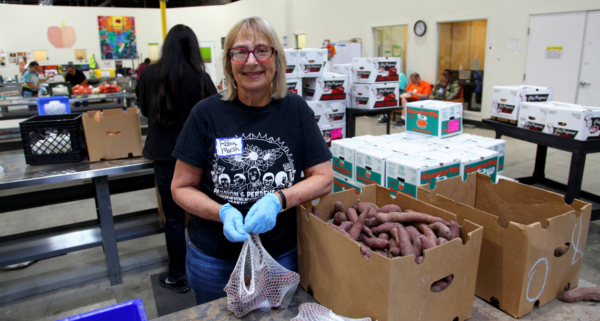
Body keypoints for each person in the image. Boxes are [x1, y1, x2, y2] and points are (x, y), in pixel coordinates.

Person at [170, 16, 333, 305]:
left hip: (280, 254)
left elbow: (324, 178)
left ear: (276, 58)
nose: (251, 61)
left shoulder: (295, 110)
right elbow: (181, 187)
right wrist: (222, 212)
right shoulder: (205, 113)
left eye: (262, 50)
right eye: (240, 52)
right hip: (213, 259)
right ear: (229, 61)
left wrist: (279, 200)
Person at [137, 25, 217, 294]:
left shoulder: (149, 75)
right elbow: (215, 117)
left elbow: (144, 110)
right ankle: (206, 268)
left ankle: (178, 275)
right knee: (201, 212)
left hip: (163, 156)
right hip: (198, 159)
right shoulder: (202, 79)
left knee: (172, 219)